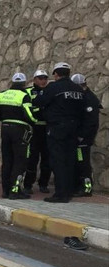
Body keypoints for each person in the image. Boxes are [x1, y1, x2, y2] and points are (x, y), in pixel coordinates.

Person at [33, 62, 84, 203]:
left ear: (56, 74)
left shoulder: (54, 87)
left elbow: (38, 101)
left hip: (57, 129)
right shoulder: (77, 89)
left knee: (58, 161)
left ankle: (60, 194)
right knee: (70, 160)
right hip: (74, 129)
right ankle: (68, 192)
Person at [0, 73, 36, 199]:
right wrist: (34, 122)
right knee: (20, 160)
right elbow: (29, 114)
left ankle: (5, 191)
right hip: (20, 129)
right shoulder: (24, 96)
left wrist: (6, 118)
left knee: (7, 160)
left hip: (5, 128)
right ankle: (15, 190)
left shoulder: (2, 94)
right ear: (24, 83)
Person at [72, 74, 103, 197]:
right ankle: (79, 185)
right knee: (79, 162)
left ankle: (86, 187)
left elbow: (91, 122)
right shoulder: (83, 97)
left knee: (83, 162)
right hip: (80, 136)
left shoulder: (89, 99)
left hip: (84, 138)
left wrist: (81, 136)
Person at [23, 70, 51, 194]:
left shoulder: (50, 91)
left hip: (47, 129)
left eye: (45, 78)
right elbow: (27, 108)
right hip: (33, 129)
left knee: (47, 159)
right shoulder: (28, 92)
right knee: (32, 159)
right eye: (40, 78)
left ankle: (43, 184)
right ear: (34, 79)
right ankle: (28, 185)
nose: (43, 81)